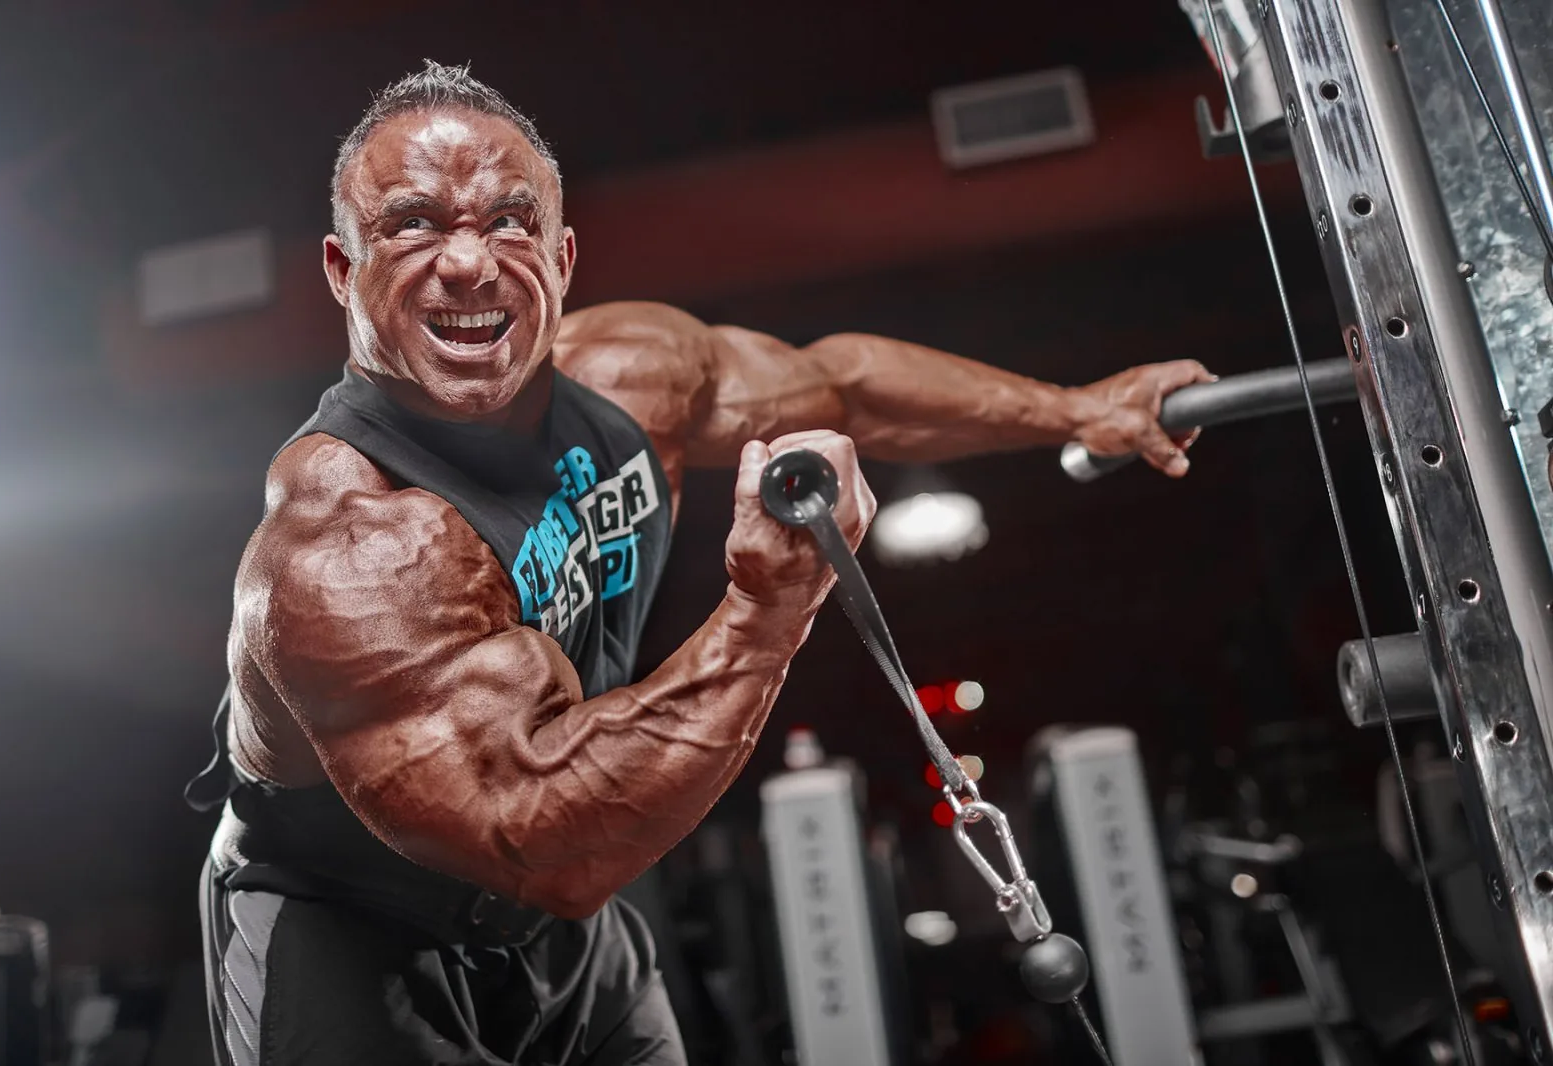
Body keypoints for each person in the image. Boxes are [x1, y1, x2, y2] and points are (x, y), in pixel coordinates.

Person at [186, 60, 1212, 1066]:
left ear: (564, 255)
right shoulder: (345, 544)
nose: (469, 262)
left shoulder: (631, 376)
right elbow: (536, 839)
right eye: (413, 223)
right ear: (340, 270)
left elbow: (841, 388)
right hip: (352, 929)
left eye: (509, 221)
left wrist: (1081, 409)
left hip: (560, 928)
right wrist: (769, 609)